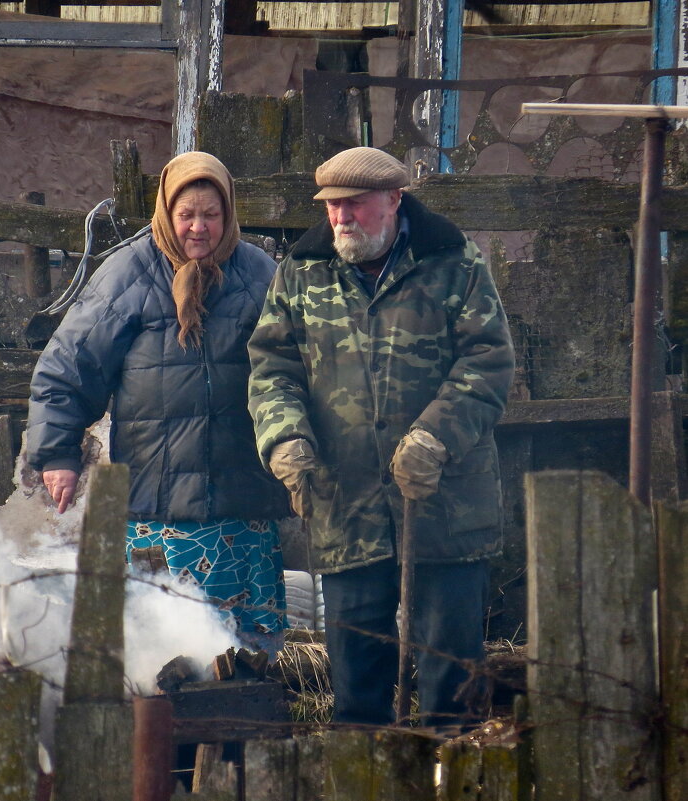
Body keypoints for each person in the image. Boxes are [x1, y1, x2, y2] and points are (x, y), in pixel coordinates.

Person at [247, 147, 514, 726]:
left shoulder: (453, 262)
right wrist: (286, 440)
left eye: (355, 205)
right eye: (333, 206)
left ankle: (453, 781)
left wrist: (434, 439)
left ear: (395, 200)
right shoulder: (304, 270)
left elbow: (488, 361)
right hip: (346, 503)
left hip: (445, 507)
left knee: (451, 682)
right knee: (357, 689)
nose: (340, 218)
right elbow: (272, 368)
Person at [26, 151, 290, 652]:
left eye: (211, 215)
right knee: (162, 655)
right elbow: (67, 368)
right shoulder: (130, 273)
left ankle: (243, 728)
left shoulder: (258, 273)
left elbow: (300, 366)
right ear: (166, 214)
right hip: (158, 505)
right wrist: (57, 455)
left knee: (247, 656)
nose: (198, 228)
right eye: (186, 214)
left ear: (228, 214)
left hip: (243, 501)